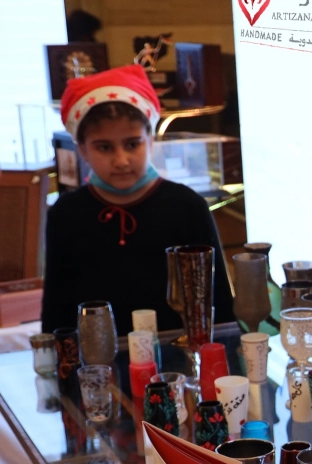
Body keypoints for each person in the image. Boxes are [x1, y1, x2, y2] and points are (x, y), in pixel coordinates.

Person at [42, 64, 234, 336]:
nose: (121, 161)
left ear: (151, 141)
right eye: (104, 147)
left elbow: (218, 301)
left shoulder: (187, 206)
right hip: (97, 358)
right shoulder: (66, 214)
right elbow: (56, 306)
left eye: (132, 144)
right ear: (82, 149)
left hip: (178, 354)